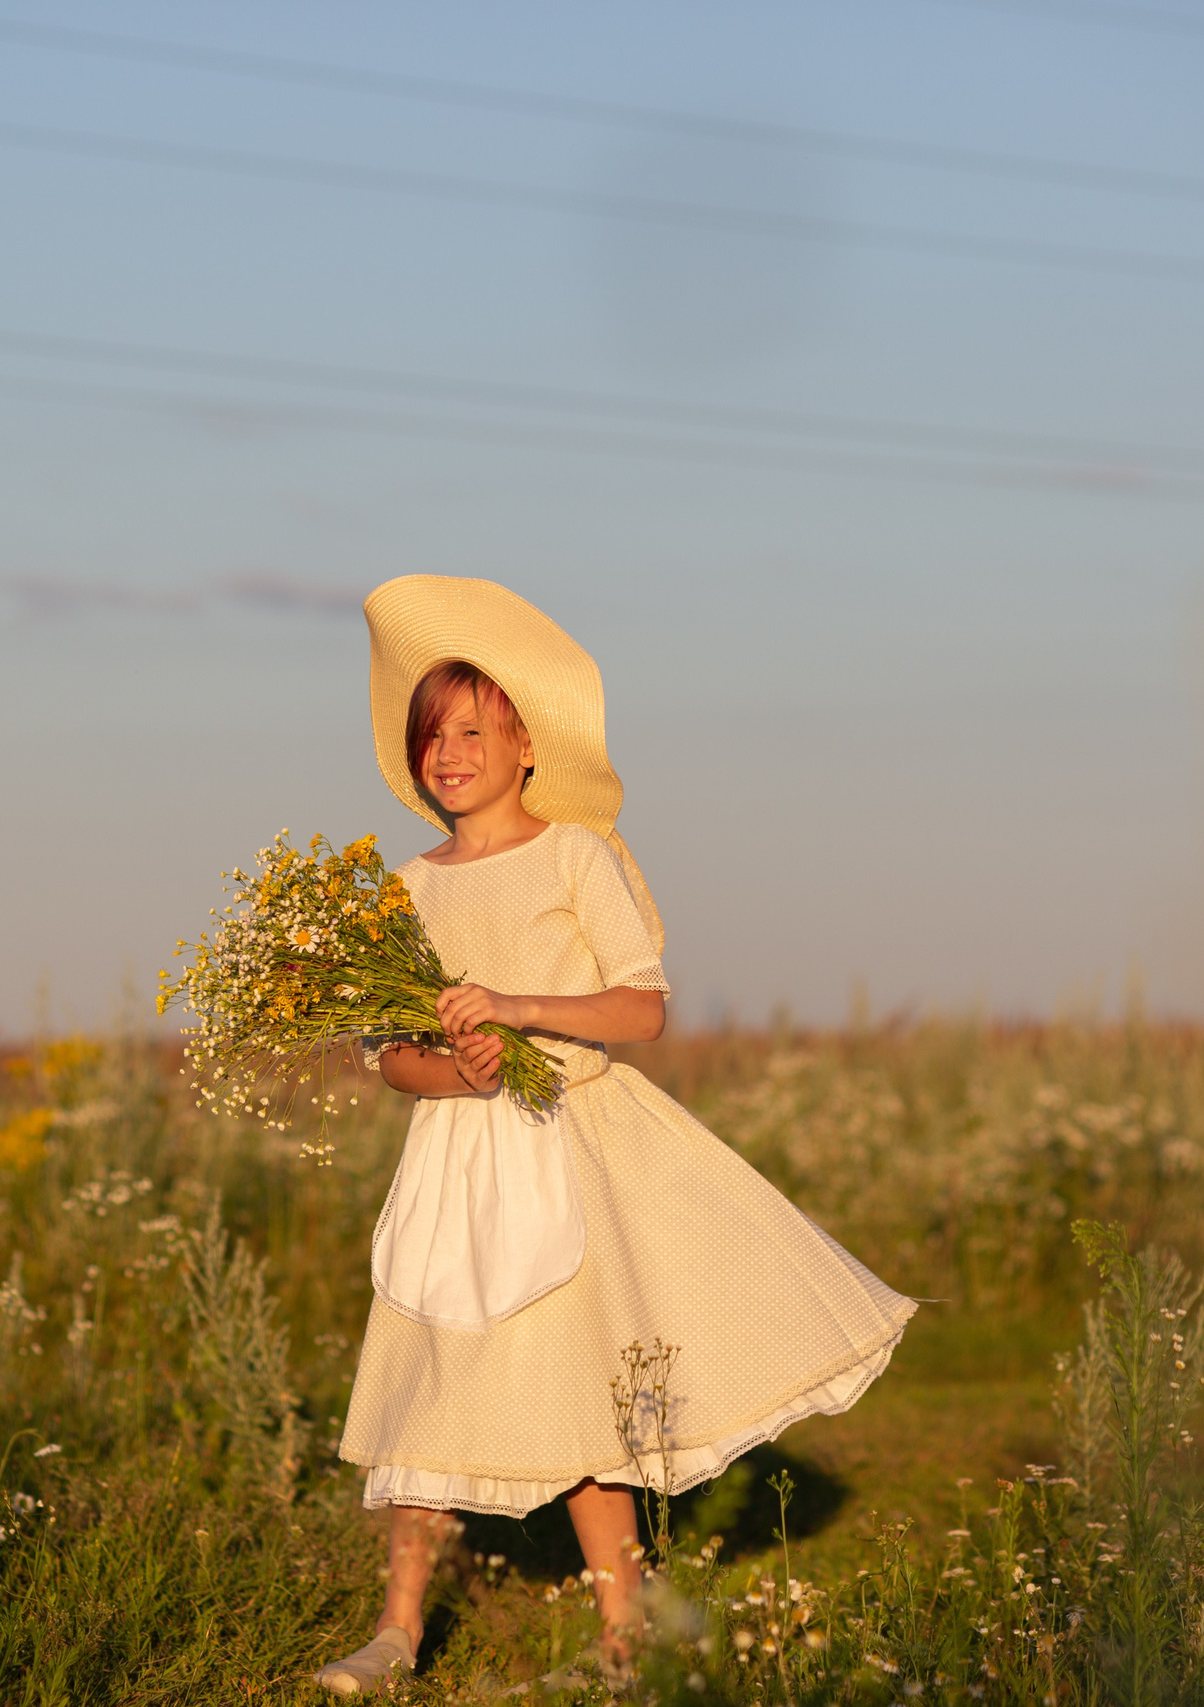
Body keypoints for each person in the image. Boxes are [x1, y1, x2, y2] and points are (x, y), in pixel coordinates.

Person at [315, 577, 916, 1696]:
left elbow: (640, 1009)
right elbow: (386, 1054)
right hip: (456, 1158)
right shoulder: (403, 890)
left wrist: (519, 1009)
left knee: (586, 1395)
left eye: (473, 732)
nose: (450, 754)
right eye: (431, 738)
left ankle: (623, 1637)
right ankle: (396, 1633)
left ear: (525, 745)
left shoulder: (576, 857)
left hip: (572, 1141)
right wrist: (452, 1070)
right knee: (425, 1384)